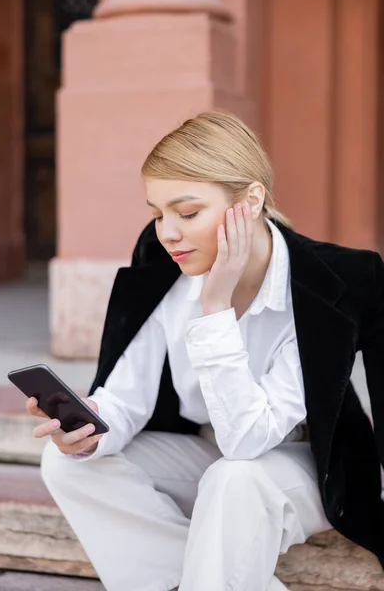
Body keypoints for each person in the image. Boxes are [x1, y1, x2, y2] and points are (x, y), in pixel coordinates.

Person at [27, 112, 384, 591]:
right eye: (157, 213)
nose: (168, 232)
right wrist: (87, 425)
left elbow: (248, 443)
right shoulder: (166, 270)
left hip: (305, 468)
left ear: (251, 200)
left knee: (235, 479)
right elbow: (126, 399)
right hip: (206, 452)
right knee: (68, 464)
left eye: (187, 212)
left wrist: (215, 307)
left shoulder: (327, 284)